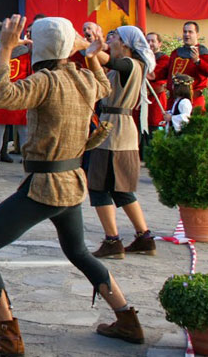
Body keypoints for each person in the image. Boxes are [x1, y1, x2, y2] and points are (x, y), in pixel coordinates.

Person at [0, 16, 144, 356]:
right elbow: (104, 86)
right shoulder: (84, 78)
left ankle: (7, 335)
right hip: (73, 182)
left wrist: (5, 48)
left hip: (45, 186)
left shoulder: (46, 81)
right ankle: (126, 317)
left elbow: (0, 95)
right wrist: (87, 51)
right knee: (77, 252)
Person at [88, 26, 157, 259]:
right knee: (121, 190)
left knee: (98, 187)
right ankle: (144, 237)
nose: (111, 40)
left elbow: (111, 62)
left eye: (115, 37)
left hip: (115, 133)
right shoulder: (123, 68)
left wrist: (89, 47)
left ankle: (112, 241)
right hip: (117, 129)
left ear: (126, 44)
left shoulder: (130, 64)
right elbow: (100, 73)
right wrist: (90, 53)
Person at [0, 26, 31, 176]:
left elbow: (29, 74)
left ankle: (28, 165)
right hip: (1, 93)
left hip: (19, 93)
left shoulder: (24, 53)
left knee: (24, 131)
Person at [167, 21, 208, 109]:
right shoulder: (175, 53)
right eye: (185, 32)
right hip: (174, 101)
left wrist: (198, 61)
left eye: (190, 32)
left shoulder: (203, 53)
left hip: (194, 101)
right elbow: (166, 73)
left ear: (197, 35)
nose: (186, 34)